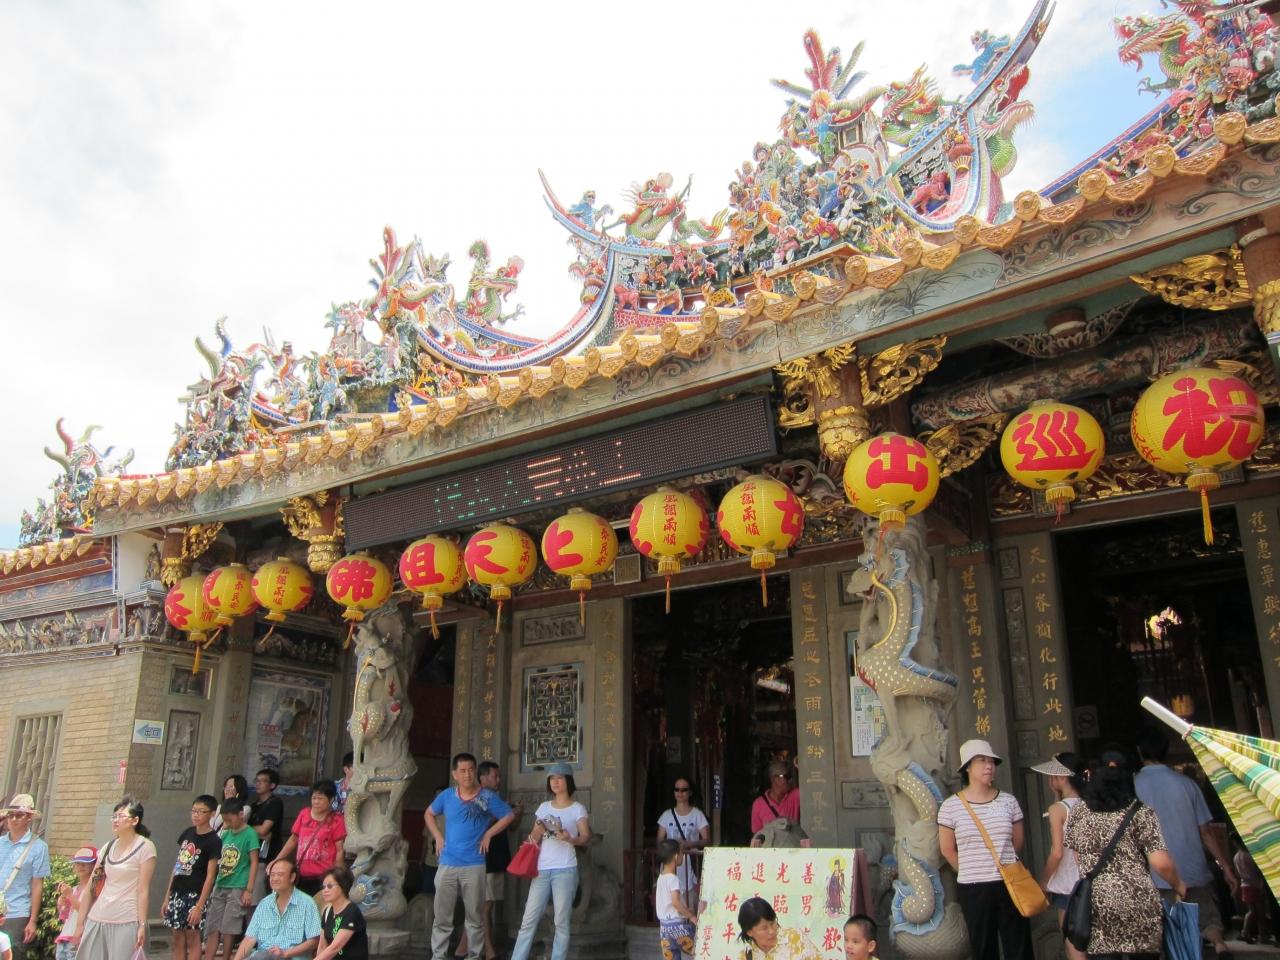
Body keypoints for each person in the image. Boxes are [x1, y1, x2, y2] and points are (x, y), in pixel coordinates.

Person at [1064, 748, 1187, 959]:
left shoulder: (1079, 812)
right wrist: (1179, 885)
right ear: (1130, 778)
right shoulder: (1141, 812)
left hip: (1096, 903)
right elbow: (1161, 862)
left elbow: (1077, 856)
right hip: (1139, 901)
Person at [1135, 728, 1239, 956]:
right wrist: (1226, 867)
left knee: (1166, 926)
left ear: (1140, 751)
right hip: (1192, 866)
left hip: (1156, 872)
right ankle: (1218, 943)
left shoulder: (1134, 786)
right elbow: (1206, 832)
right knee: (1206, 916)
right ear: (1166, 751)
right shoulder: (1187, 784)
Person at [936, 739, 1033, 960]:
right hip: (974, 887)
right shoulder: (951, 806)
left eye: (991, 762)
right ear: (967, 767)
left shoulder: (1008, 801)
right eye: (982, 761)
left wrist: (1002, 864)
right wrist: (970, 870)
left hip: (1010, 882)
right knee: (982, 948)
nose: (989, 766)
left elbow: (1017, 842)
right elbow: (947, 849)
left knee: (1019, 946)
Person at [425, 753, 515, 960]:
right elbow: (429, 813)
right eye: (463, 771)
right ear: (455, 774)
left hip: (474, 864)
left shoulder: (486, 797)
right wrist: (438, 836)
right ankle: (438, 956)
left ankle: (474, 956)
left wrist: (489, 833)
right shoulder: (447, 796)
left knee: (474, 917)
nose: (467, 775)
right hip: (447, 862)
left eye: (471, 770)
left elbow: (508, 815)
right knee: (442, 917)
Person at [509, 763, 590, 960]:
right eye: (552, 779)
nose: (555, 782)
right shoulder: (544, 807)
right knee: (528, 920)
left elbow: (585, 837)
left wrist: (570, 839)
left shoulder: (577, 808)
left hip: (565, 869)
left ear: (568, 781)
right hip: (542, 869)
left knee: (561, 921)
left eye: (560, 778)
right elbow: (532, 839)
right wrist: (537, 831)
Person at [73, 797, 158, 960]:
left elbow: (143, 890)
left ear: (135, 820)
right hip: (97, 918)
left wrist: (141, 924)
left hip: (127, 920)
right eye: (114, 816)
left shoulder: (146, 847)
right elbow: (91, 886)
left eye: (121, 816)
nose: (115, 820)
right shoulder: (108, 846)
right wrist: (80, 923)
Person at [456, 762, 522, 960]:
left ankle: (462, 949)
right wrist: (502, 815)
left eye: (499, 776)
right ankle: (489, 951)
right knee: (483, 907)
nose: (498, 780)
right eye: (495, 776)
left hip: (498, 858)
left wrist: (516, 815)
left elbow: (511, 827)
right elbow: (476, 826)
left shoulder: (496, 799)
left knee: (487, 905)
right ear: (482, 778)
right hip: (483, 859)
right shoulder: (476, 799)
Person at [1032, 753, 1086, 960]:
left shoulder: (1057, 809)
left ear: (1061, 777)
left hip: (1067, 884)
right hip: (1090, 882)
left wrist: (1044, 880)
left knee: (1073, 945)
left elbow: (1057, 852)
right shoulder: (1090, 804)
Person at [161, 794, 221, 960]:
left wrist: (199, 906)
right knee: (177, 937)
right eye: (194, 811)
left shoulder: (214, 840)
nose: (196, 815)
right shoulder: (187, 833)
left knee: (193, 937)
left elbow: (210, 876)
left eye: (201, 811)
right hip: (177, 891)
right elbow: (178, 865)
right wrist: (167, 896)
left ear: (212, 814)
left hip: (195, 894)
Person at [204, 797, 259, 960]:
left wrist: (249, 889)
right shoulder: (225, 834)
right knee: (213, 924)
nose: (227, 823)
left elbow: (254, 862)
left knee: (230, 927)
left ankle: (226, 957)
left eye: (230, 820)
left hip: (238, 885)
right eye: (225, 820)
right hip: (221, 883)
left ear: (241, 814)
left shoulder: (250, 834)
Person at [233, 859, 321, 960]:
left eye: (280, 874)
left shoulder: (307, 903)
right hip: (263, 957)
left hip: (291, 957)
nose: (275, 878)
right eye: (272, 875)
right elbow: (250, 938)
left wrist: (285, 953)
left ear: (292, 877)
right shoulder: (264, 903)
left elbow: (314, 941)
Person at [0, 794, 51, 960]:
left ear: (29, 818)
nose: (13, 819)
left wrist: (33, 920)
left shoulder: (39, 847)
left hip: (17, 913)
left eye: (19, 815)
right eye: (10, 815)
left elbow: (37, 884)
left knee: (12, 955)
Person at [274, 781, 347, 896]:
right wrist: (277, 860)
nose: (316, 802)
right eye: (314, 798)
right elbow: (293, 839)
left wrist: (338, 875)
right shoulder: (304, 814)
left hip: (323, 876)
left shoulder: (337, 820)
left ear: (331, 799)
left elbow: (339, 850)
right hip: (301, 875)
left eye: (320, 798)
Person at [656, 778, 709, 906]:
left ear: (690, 792)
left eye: (684, 790)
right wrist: (672, 845)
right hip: (670, 865)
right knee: (669, 904)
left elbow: (707, 840)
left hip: (690, 867)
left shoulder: (697, 814)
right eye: (677, 789)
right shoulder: (666, 815)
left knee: (689, 904)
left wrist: (690, 844)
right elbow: (659, 840)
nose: (680, 793)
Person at [735, 896, 821, 960]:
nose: (771, 931)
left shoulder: (794, 938)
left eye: (772, 923)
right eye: (764, 928)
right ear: (749, 932)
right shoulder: (745, 956)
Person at [655, 840, 698, 960]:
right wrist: (691, 916)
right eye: (681, 853)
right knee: (700, 951)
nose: (682, 856)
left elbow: (669, 903)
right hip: (678, 928)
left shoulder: (661, 878)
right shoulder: (674, 879)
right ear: (675, 856)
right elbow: (675, 902)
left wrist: (685, 910)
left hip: (664, 930)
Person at [316, 865, 367, 960]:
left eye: (330, 886)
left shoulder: (352, 912)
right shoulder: (327, 911)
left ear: (343, 886)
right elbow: (322, 946)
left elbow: (335, 947)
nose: (325, 890)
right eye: (323, 887)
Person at [54, 847, 97, 960]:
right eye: (77, 863)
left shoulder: (94, 890)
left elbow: (85, 911)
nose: (80, 866)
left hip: (79, 939)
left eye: (85, 864)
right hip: (64, 937)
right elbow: (65, 916)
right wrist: (62, 904)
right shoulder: (73, 889)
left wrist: (70, 896)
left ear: (95, 865)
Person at [248, 770, 284, 902]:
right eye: (256, 781)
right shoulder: (253, 806)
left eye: (262, 781)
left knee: (260, 894)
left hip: (267, 855)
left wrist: (247, 828)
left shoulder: (274, 803)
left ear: (272, 785)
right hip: (252, 853)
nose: (258, 784)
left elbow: (264, 830)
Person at [750, 762, 801, 838]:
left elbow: (811, 786)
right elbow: (757, 835)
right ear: (774, 779)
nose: (790, 780)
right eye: (787, 776)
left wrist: (800, 766)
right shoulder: (758, 804)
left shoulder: (795, 796)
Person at [1233, 836, 1269, 944]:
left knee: (1252, 911)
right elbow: (1258, 871)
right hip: (1255, 884)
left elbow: (1237, 873)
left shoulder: (1236, 857)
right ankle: (1261, 935)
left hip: (1245, 885)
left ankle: (1246, 933)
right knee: (1260, 912)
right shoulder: (1250, 855)